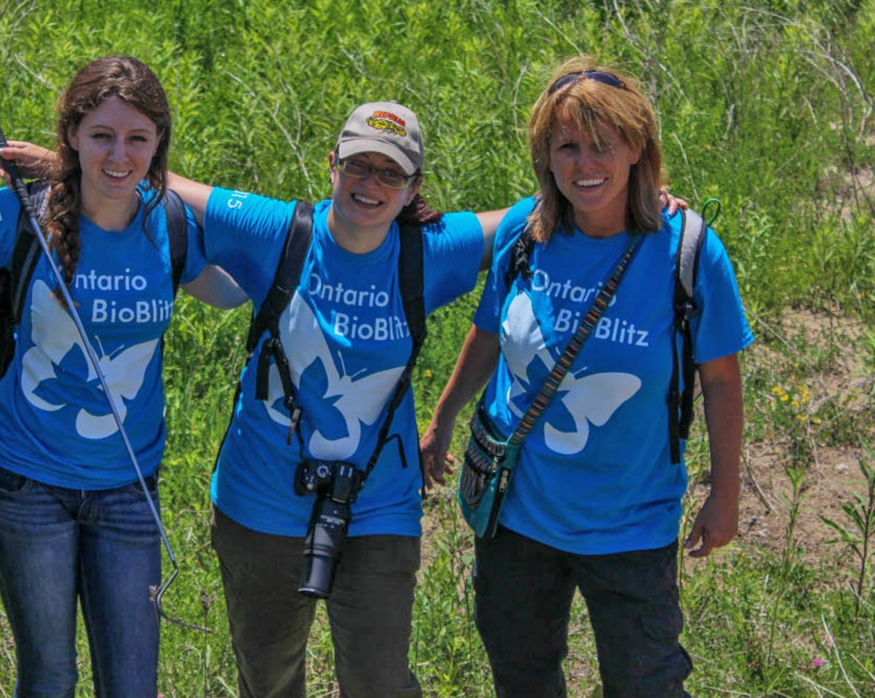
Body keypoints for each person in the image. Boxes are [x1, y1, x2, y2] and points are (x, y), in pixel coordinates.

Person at [421, 56, 752, 697]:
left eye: (603, 144)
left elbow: (720, 380)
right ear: (546, 155)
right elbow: (489, 330)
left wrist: (726, 492)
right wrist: (443, 416)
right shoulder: (526, 231)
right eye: (566, 146)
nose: (585, 164)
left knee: (645, 684)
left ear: (638, 148)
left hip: (631, 522)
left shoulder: (688, 251)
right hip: (516, 515)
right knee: (521, 675)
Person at [165, 101, 501, 698]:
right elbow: (152, 174)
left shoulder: (430, 250)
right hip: (261, 496)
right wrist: (67, 162)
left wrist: (641, 193)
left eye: (390, 173)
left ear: (413, 186)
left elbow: (542, 213)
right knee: (267, 679)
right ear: (332, 165)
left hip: (378, 501)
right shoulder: (279, 231)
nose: (370, 184)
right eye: (357, 166)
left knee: (379, 682)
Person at [0, 56, 244, 698]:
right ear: (71, 131)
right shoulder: (22, 212)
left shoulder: (166, 224)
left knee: (132, 683)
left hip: (128, 490)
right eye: (101, 135)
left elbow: (236, 292)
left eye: (139, 139)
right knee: (50, 676)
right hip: (26, 484)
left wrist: (150, 182)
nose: (119, 154)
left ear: (160, 144)